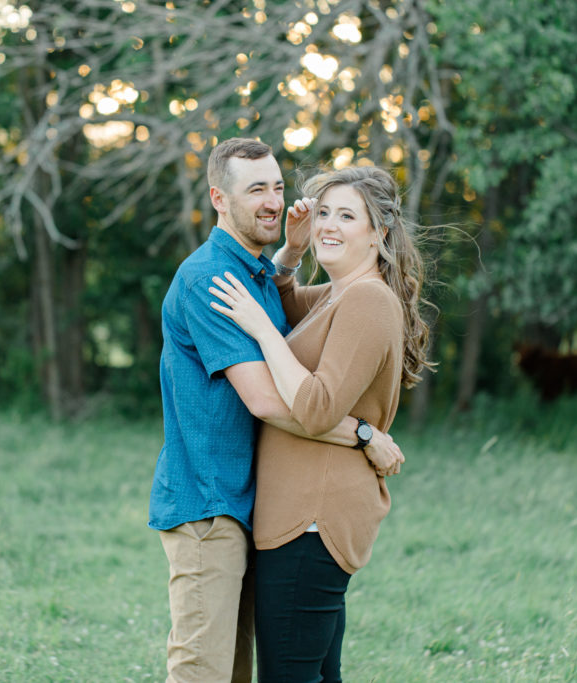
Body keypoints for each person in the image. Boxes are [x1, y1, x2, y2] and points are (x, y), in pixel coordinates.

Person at [148, 139, 405, 683]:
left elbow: (290, 314)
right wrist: (360, 434)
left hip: (255, 507)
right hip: (209, 502)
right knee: (202, 672)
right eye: (254, 189)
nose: (271, 201)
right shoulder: (212, 279)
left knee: (241, 672)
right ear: (220, 198)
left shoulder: (262, 276)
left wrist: (287, 255)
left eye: (277, 187)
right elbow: (268, 399)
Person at [209, 164, 434, 681]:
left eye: (346, 216)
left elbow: (315, 407)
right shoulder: (339, 294)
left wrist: (262, 332)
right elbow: (285, 298)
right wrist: (290, 251)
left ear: (379, 233)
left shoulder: (368, 301)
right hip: (305, 516)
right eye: (324, 212)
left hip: (313, 520)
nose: (328, 225)